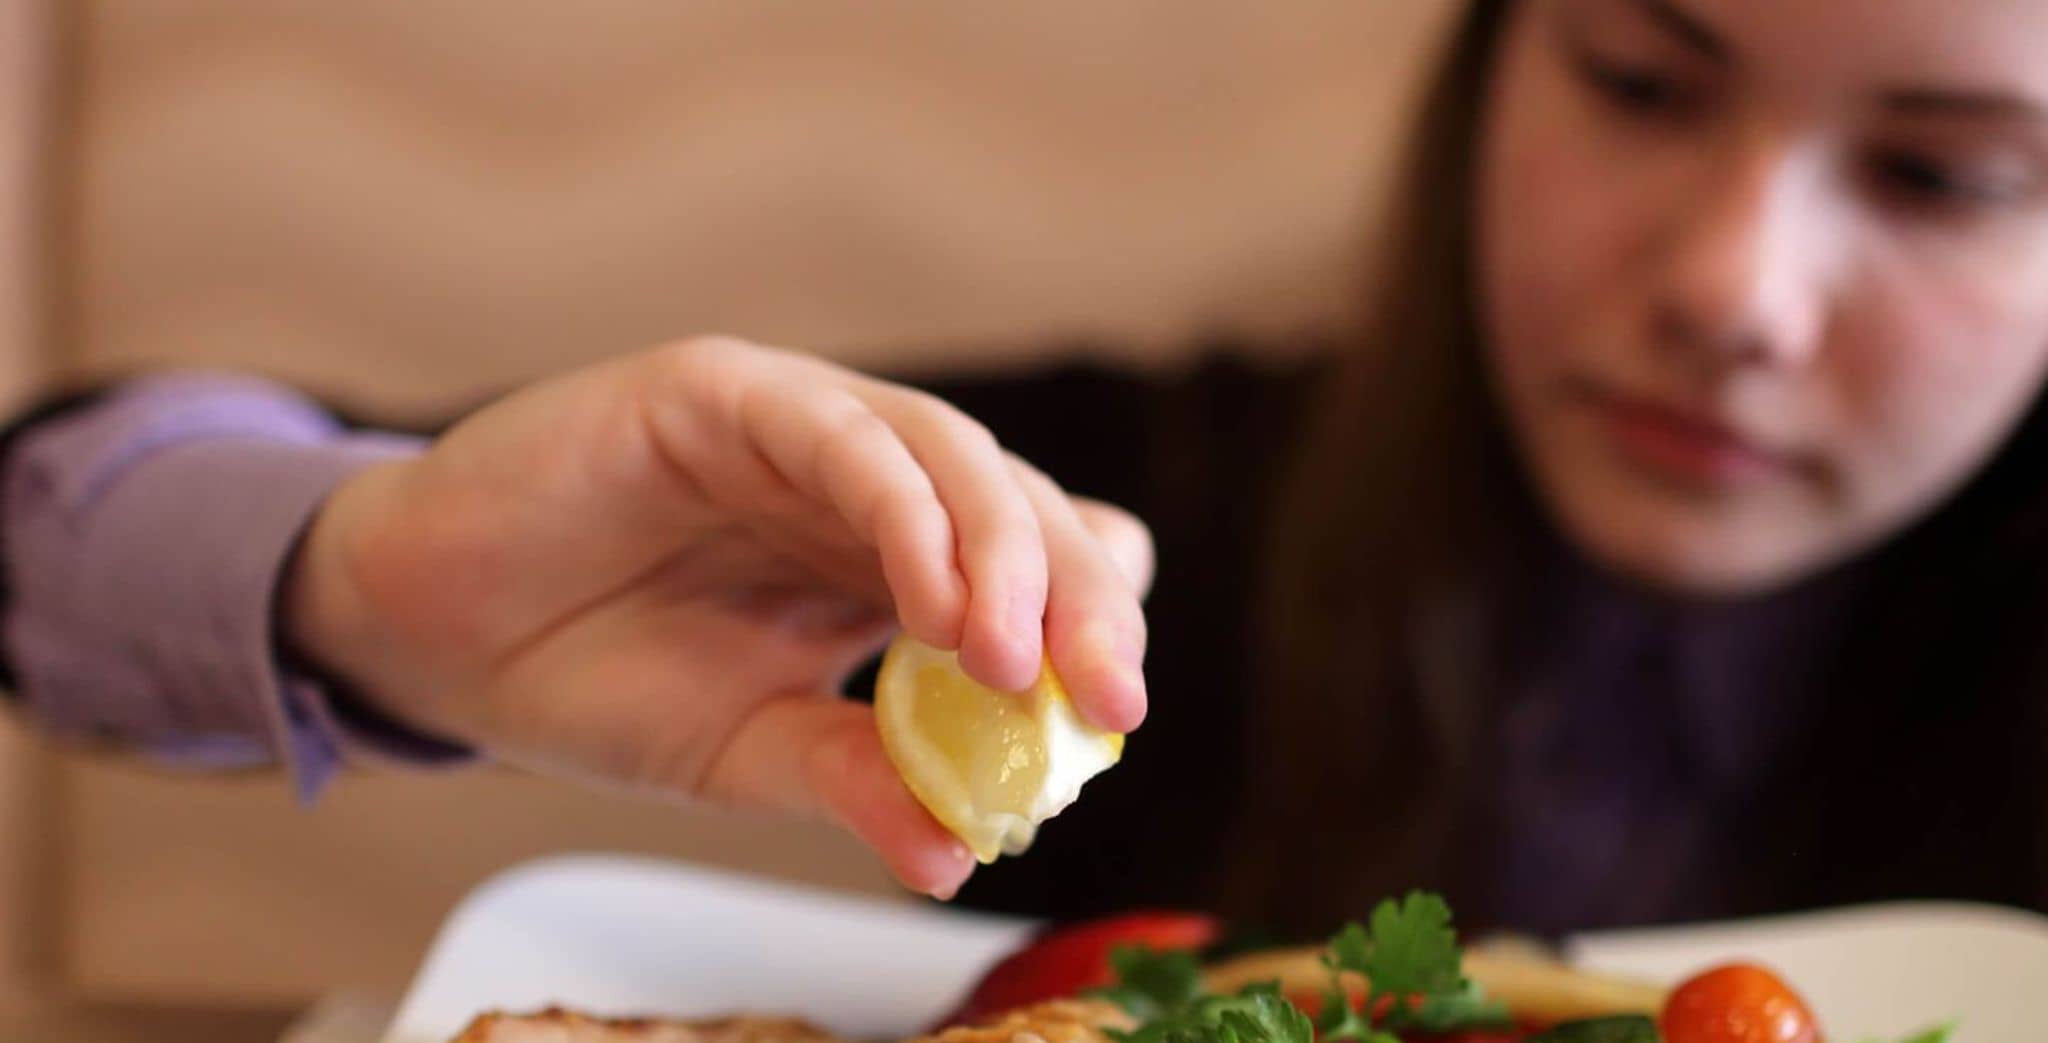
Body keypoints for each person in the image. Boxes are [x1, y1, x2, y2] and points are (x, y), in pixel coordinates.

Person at [9, 0, 2048, 942]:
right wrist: (365, 577)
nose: (1734, 292)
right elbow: (54, 537)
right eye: (1635, 80)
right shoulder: (1093, 508)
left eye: (1945, 176)